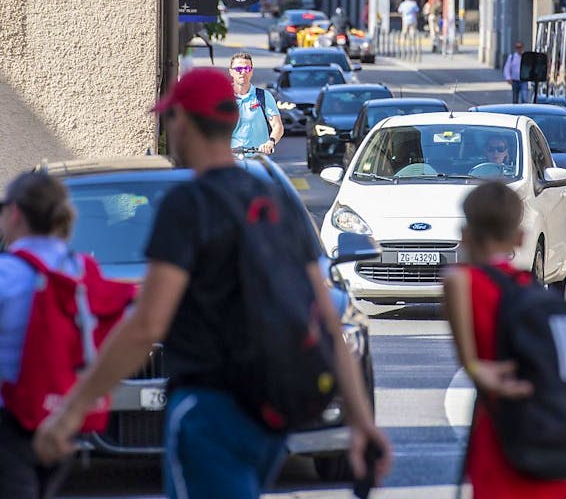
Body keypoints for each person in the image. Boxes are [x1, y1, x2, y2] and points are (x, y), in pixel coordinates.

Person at [32, 68, 392, 497]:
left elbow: (147, 325)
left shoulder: (189, 204)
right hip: (269, 413)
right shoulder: (272, 197)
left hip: (209, 410)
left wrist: (73, 411)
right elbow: (327, 322)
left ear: (182, 121)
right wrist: (363, 424)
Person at [442, 182, 566, 499]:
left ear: (465, 232)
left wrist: (476, 369)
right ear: (520, 237)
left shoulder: (464, 282)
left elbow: (469, 360)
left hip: (501, 435)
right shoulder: (531, 291)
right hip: (549, 442)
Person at [0, 172, 79, 497]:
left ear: (15, 212)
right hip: (62, 417)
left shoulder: (6, 272)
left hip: (8, 421)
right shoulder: (80, 268)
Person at [228, 52, 284, 154]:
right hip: (230, 160)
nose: (243, 72)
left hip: (258, 158)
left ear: (252, 71)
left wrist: (270, 142)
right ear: (231, 72)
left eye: (247, 69)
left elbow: (277, 126)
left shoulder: (263, 96)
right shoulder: (223, 97)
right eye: (238, 69)